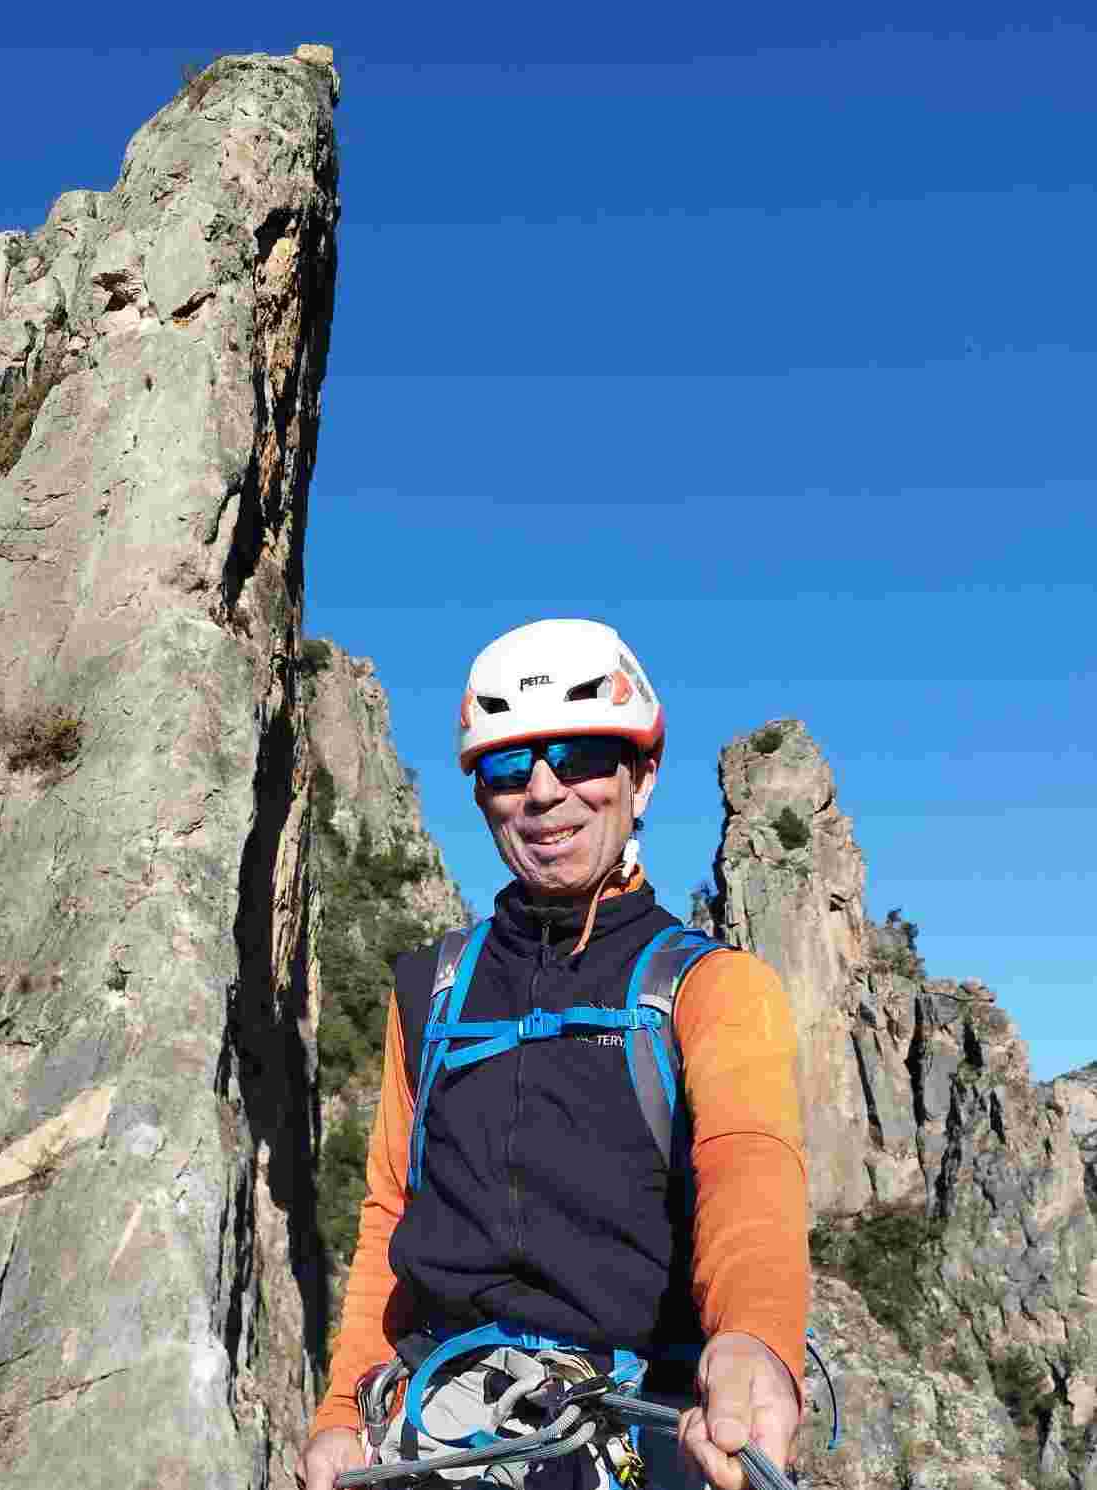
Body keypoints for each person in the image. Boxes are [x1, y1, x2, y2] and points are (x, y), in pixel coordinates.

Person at [298, 619, 808, 1490]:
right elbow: (390, 1212)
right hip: (443, 1427)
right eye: (508, 766)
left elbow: (747, 1166)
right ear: (483, 795)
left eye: (579, 757)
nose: (542, 791)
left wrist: (754, 1340)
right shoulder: (431, 988)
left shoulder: (713, 988)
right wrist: (344, 1412)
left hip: (640, 1430)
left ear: (640, 778)